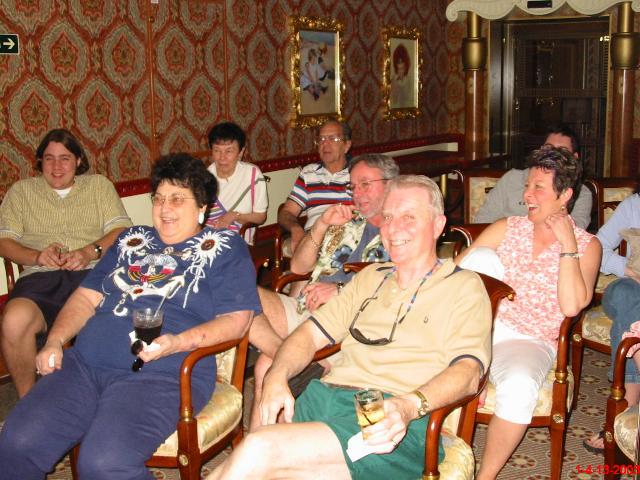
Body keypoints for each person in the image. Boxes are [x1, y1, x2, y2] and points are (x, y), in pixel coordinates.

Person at [208, 175, 492, 480]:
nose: (393, 228)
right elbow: (308, 334)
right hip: (324, 398)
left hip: (388, 419)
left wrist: (409, 406)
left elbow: (468, 371)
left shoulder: (463, 286)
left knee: (258, 449)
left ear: (437, 225)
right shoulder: (370, 277)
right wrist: (277, 375)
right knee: (236, 466)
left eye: (409, 217)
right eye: (388, 217)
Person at [0, 153, 261, 479]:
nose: (165, 209)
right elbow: (85, 297)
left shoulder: (224, 246)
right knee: (16, 443)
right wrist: (55, 340)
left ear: (202, 207)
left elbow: (237, 320)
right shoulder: (130, 240)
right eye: (159, 198)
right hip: (85, 364)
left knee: (103, 462)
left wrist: (177, 342)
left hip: (162, 373)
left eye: (177, 199)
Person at [456, 146, 601, 479]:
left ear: (565, 195)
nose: (527, 195)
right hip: (480, 325)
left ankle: (485, 476)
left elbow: (571, 306)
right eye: (527, 186)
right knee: (481, 258)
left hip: (529, 339)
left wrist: (567, 245)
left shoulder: (587, 245)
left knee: (520, 388)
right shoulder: (509, 227)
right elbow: (455, 273)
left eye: (538, 187)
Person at [248, 153, 398, 430]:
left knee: (266, 366)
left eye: (365, 184)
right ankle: (288, 352)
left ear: (390, 184)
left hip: (344, 324)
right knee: (242, 294)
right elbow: (298, 266)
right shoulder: (348, 221)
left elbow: (397, 290)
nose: (357, 193)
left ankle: (257, 446)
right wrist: (321, 225)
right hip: (305, 309)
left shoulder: (402, 231)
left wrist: (340, 290)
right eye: (353, 186)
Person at [0, 128, 132, 398]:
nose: (56, 166)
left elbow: (122, 231)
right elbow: (3, 241)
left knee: (116, 319)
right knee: (13, 321)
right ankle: (29, 400)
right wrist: (37, 256)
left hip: (92, 275)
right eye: (49, 159)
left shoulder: (98, 186)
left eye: (65, 158)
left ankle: (106, 394)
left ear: (78, 161)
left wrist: (90, 251)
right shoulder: (22, 192)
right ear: (40, 162)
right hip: (40, 279)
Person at [583, 182, 640, 453]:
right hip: (633, 287)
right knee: (625, 296)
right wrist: (630, 270)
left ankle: (625, 410)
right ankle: (630, 405)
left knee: (629, 313)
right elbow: (596, 248)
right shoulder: (634, 205)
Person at [474, 124, 593, 229]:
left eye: (562, 151)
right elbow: (483, 220)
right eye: (548, 148)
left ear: (574, 158)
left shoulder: (581, 193)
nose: (552, 155)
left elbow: (576, 234)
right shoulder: (512, 179)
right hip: (500, 243)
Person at [278, 119, 353, 254]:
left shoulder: (358, 173)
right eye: (321, 139)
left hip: (348, 237)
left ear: (346, 145)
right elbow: (286, 212)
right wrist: (296, 229)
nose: (325, 144)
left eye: (333, 138)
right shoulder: (309, 173)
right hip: (313, 238)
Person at [205, 121, 268, 244]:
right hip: (208, 240)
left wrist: (235, 216)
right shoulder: (205, 178)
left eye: (228, 151)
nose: (222, 157)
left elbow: (261, 217)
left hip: (240, 241)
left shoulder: (252, 174)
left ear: (241, 152)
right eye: (217, 150)